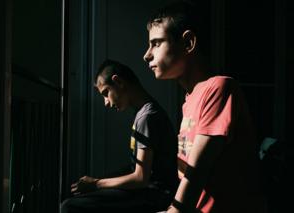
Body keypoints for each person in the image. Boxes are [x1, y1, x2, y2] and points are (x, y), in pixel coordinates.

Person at [143, 1, 267, 212]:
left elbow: (196, 172)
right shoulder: (190, 99)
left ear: (188, 42)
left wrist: (174, 210)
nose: (147, 55)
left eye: (156, 43)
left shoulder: (219, 88)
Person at [61, 59, 179, 213]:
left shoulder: (147, 116)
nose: (106, 103)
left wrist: (97, 183)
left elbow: (140, 178)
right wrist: (100, 182)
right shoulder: (143, 113)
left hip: (155, 196)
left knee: (69, 207)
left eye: (106, 93)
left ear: (119, 82)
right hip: (149, 192)